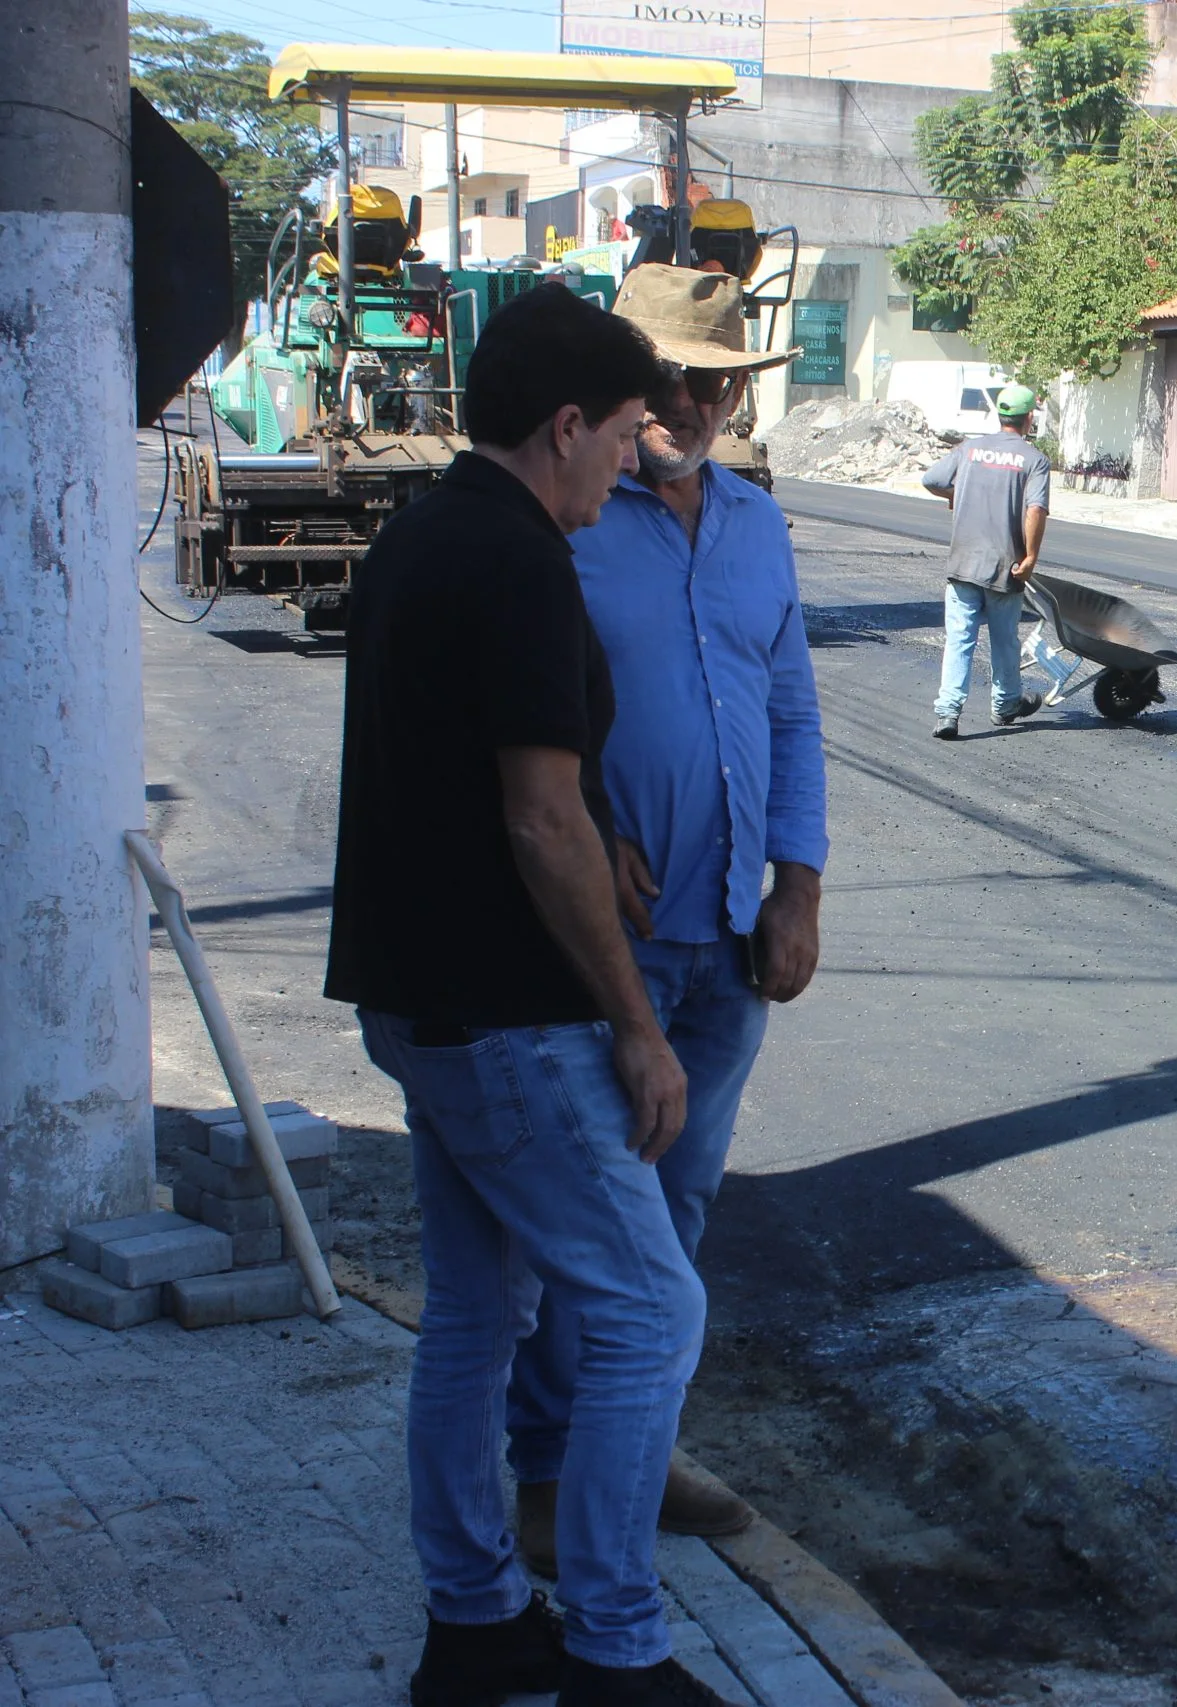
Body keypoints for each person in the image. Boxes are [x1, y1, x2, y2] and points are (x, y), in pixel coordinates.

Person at [327, 283, 725, 1705]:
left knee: (476, 1314)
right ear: (566, 425)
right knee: (646, 1313)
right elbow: (538, 816)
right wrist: (636, 1022)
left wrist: (588, 816)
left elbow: (490, 771)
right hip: (506, 1013)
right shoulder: (517, 562)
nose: (635, 461)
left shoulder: (426, 534)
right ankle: (616, 1646)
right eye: (626, 433)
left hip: (421, 998)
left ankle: (479, 1621)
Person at [502, 265, 827, 1578]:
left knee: (677, 1214)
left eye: (721, 380)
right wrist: (583, 803)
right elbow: (514, 706)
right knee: (592, 1225)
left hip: (726, 936)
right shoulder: (564, 515)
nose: (697, 401)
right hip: (602, 936)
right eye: (676, 377)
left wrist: (799, 881)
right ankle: (543, 1470)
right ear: (624, 386)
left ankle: (634, 1446)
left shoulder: (754, 522)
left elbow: (795, 707)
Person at [922, 383, 1050, 739]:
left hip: (963, 561)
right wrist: (1031, 557)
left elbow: (931, 479)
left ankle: (948, 712)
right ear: (1028, 419)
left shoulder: (970, 449)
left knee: (959, 638)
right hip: (1004, 564)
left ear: (1000, 416)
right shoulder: (1034, 459)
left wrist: (956, 492)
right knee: (1005, 638)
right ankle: (1006, 703)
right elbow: (1035, 509)